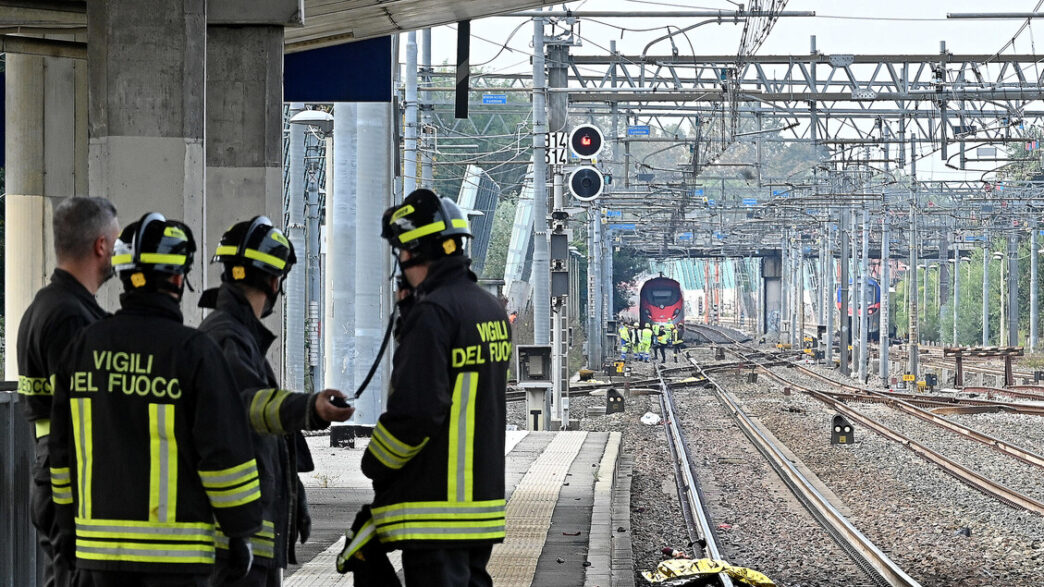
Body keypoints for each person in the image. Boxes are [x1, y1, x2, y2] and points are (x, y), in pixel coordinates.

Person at [49, 212, 262, 587]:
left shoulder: (84, 347)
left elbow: (61, 453)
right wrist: (240, 530)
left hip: (97, 559)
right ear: (179, 279)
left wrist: (66, 527)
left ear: (123, 274)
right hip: (174, 563)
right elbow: (224, 457)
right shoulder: (194, 352)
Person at [344, 189, 511, 587]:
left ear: (415, 252)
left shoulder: (434, 313)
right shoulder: (488, 310)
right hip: (479, 505)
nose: (399, 264)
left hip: (436, 509)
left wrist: (376, 464)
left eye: (401, 252)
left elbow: (418, 410)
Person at [198, 216, 355, 586]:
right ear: (273, 281)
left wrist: (292, 492)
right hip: (237, 542)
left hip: (249, 536)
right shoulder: (228, 340)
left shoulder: (234, 336)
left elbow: (263, 441)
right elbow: (248, 409)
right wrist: (310, 408)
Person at [16, 196, 119, 587]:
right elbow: (86, 407)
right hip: (71, 480)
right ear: (100, 246)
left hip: (56, 475)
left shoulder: (47, 307)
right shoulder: (70, 318)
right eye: (114, 242)